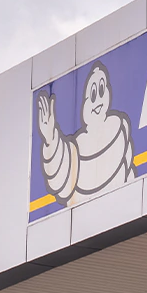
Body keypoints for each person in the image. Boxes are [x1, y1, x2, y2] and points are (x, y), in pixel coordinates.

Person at [37, 62, 134, 207]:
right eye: (93, 93)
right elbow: (61, 177)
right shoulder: (77, 147)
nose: (97, 101)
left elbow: (129, 171)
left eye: (101, 90)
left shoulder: (120, 128)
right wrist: (50, 139)